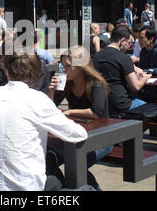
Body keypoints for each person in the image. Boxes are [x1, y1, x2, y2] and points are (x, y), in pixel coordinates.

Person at [0, 49, 87, 191]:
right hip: (27, 185)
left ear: (7, 70)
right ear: (36, 73)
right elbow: (77, 134)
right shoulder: (37, 99)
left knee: (53, 172)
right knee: (84, 187)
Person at [47, 45, 113, 190]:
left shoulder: (96, 83)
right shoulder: (67, 83)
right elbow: (51, 109)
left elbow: (96, 112)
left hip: (102, 138)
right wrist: (51, 92)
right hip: (77, 136)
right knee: (48, 158)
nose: (63, 69)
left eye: (68, 66)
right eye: (62, 65)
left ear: (81, 67)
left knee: (77, 164)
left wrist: (70, 112)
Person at [94, 26, 152, 115]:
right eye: (129, 43)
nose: (129, 46)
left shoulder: (97, 56)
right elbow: (136, 87)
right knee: (152, 112)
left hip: (102, 103)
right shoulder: (124, 58)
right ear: (122, 41)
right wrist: (145, 77)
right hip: (121, 105)